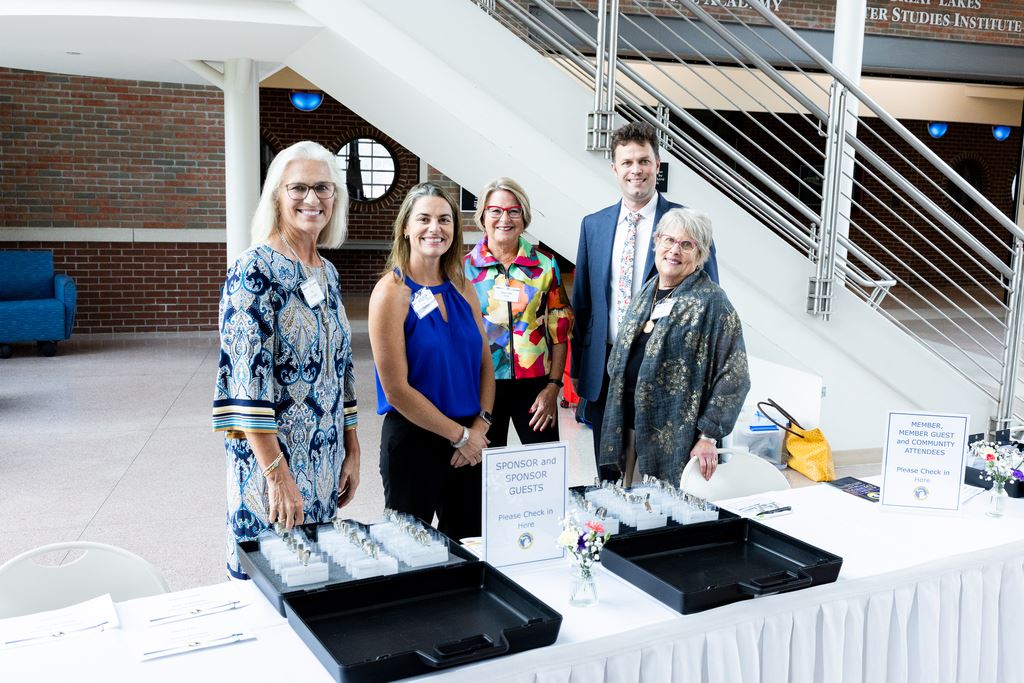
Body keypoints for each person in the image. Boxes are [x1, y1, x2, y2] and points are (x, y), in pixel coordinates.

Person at [213, 140, 360, 579]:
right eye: (298, 188)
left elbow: (343, 370)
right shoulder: (252, 269)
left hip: (323, 462)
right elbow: (244, 384)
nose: (312, 199)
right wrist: (277, 475)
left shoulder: (327, 272)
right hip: (271, 469)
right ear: (276, 196)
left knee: (313, 584)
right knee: (268, 585)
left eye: (323, 188)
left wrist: (351, 450)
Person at [571, 121, 720, 476]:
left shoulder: (687, 224)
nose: (635, 170)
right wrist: (578, 369)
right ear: (614, 169)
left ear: (657, 165)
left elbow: (709, 304)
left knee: (659, 478)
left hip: (664, 371)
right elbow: (584, 304)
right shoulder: (593, 225)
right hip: (606, 366)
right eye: (627, 162)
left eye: (643, 161)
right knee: (608, 473)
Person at [369, 182, 495, 541]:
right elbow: (396, 390)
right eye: (423, 219)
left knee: (472, 549)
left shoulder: (461, 285)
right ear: (406, 227)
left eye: (444, 219)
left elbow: (485, 362)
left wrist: (480, 428)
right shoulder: (391, 293)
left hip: (469, 441)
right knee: (411, 556)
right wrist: (460, 437)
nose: (434, 228)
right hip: (414, 439)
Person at [600, 208, 749, 485]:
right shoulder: (649, 290)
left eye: (686, 244)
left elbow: (735, 374)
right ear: (657, 242)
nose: (674, 251)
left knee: (664, 513)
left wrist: (708, 436)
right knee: (633, 511)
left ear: (700, 254)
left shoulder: (712, 302)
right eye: (669, 240)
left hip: (678, 436)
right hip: (633, 424)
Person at [464, 178, 574, 448]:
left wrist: (553, 386)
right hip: (483, 385)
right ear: (483, 217)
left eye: (513, 211)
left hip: (535, 384)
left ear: (524, 218)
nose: (505, 218)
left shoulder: (545, 266)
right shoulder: (463, 269)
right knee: (483, 472)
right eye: (496, 211)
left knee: (543, 467)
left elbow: (559, 332)